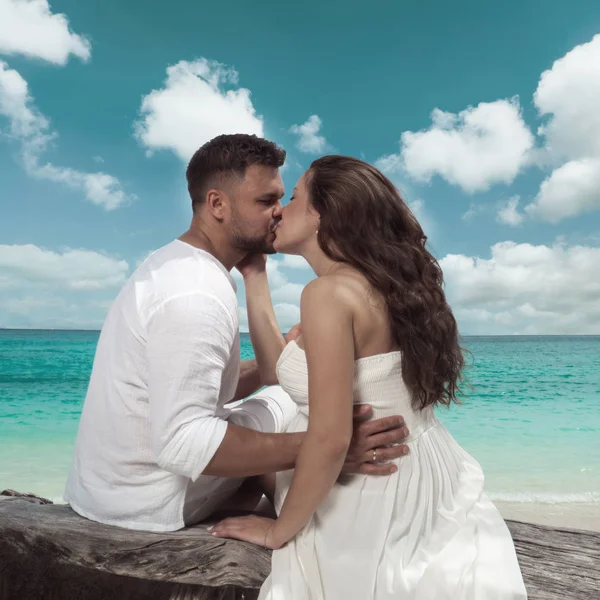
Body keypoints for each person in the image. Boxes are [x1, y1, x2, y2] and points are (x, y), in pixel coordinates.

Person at [210, 156, 528, 599]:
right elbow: (274, 370)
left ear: (326, 214)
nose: (281, 208)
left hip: (374, 489)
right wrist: (254, 276)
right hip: (425, 472)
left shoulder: (327, 294)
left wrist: (278, 531)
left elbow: (330, 438)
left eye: (296, 196)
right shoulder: (385, 287)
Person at [64, 135, 410, 532]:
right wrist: (330, 446)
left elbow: (204, 384)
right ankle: (324, 505)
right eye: (266, 202)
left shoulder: (174, 264)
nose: (279, 213)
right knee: (296, 408)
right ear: (217, 205)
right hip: (148, 502)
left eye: (282, 199)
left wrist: (288, 351)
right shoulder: (196, 294)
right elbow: (183, 443)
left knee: (287, 391)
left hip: (106, 487)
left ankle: (277, 487)